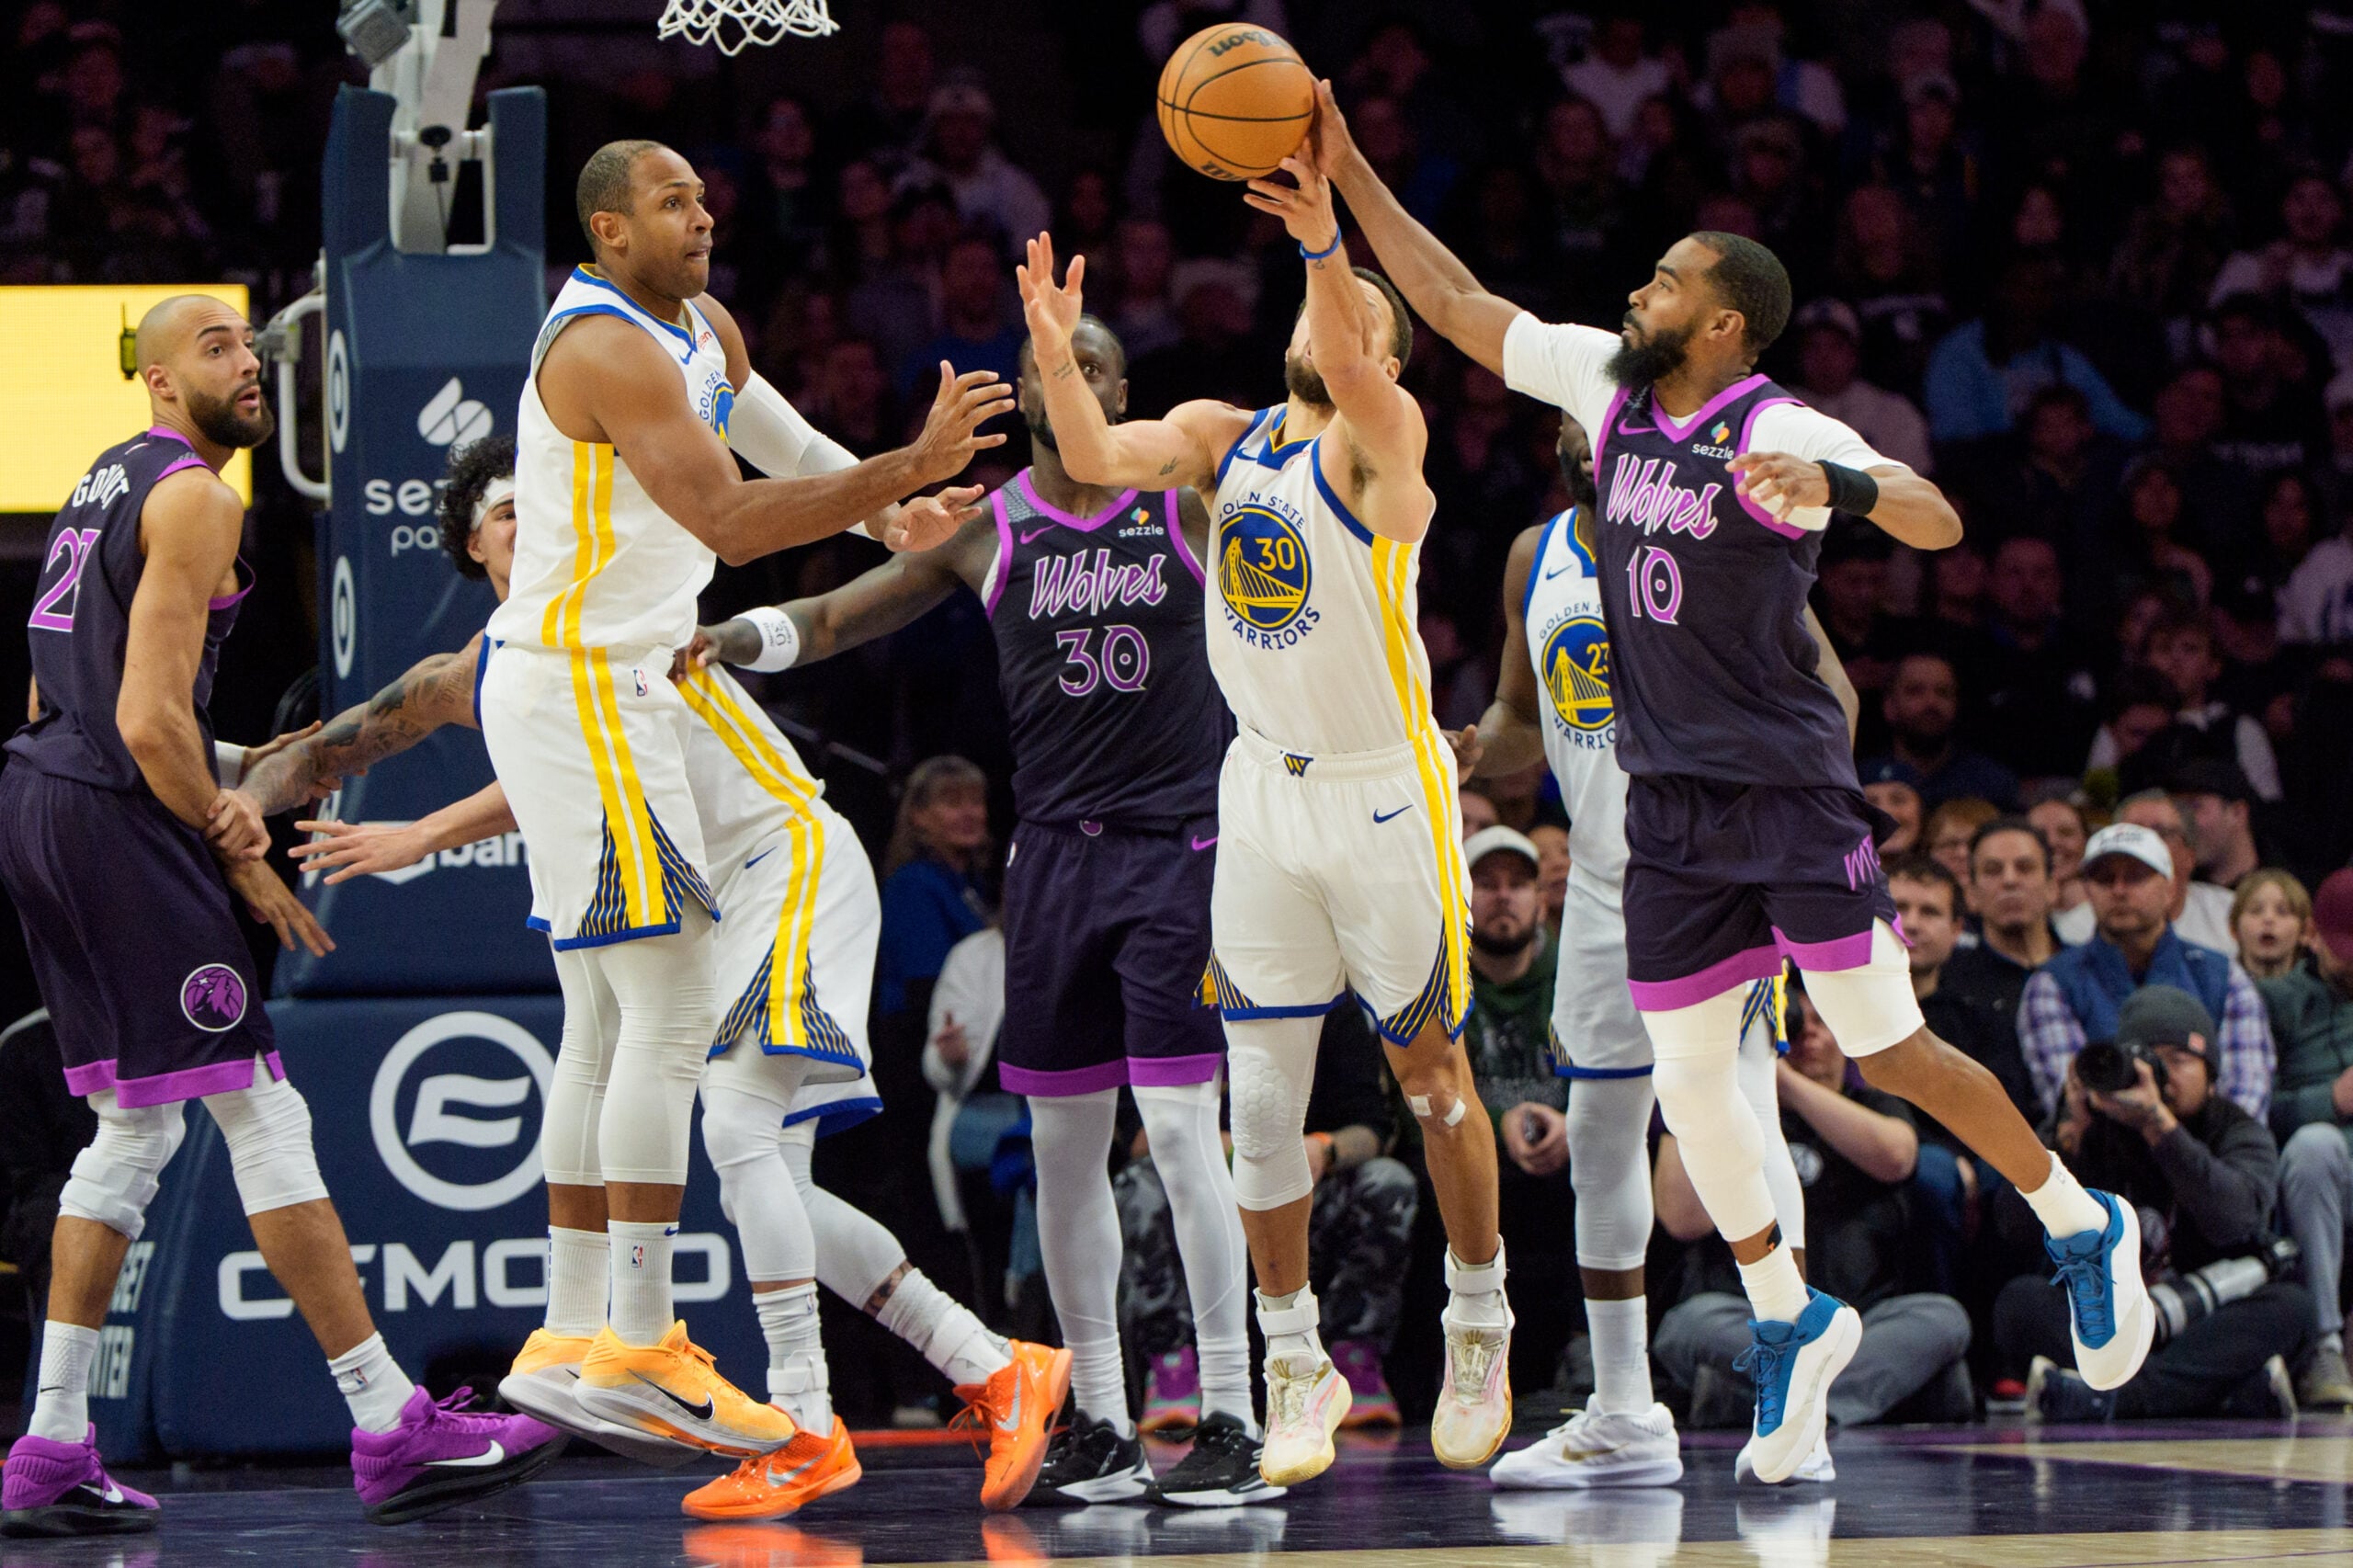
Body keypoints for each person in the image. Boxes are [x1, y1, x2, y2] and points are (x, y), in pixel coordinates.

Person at [1321, 85, 2153, 1486]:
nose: (1636, 292)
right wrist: (1346, 173)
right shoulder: (1607, 387)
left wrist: (1843, 495)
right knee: (1694, 1078)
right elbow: (1460, 303)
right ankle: (1789, 1313)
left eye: (1664, 282)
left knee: (1884, 1042)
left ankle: (2081, 1219)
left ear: (1721, 322)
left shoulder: (1788, 427)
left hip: (1784, 790)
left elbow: (1943, 515)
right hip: (1670, 807)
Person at [252, 435, 1068, 1517]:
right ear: (469, 546)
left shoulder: (619, 595)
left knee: (733, 1133)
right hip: (717, 894)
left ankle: (809, 1426)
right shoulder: (491, 671)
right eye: (503, 512)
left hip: (783, 859)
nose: (528, 519)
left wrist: (880, 484)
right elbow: (329, 756)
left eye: (538, 500)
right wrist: (191, 786)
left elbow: (729, 506)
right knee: (766, 1175)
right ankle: (993, 1363)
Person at [472, 139, 1009, 1455]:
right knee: (659, 1009)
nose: (703, 214)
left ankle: (574, 1327)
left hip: (600, 687)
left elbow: (772, 434)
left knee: (602, 1014)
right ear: (607, 231)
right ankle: (644, 1341)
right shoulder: (601, 346)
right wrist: (902, 463)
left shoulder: (701, 323)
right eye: (671, 202)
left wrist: (894, 516)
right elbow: (730, 519)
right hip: (589, 688)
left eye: (704, 196)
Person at [0, 297, 561, 1532]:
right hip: (114, 811)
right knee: (260, 1108)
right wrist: (239, 851)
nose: (246, 362)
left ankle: (47, 1440)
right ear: (154, 378)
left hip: (44, 796)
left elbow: (108, 703)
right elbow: (146, 724)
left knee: (127, 1135)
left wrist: (257, 757)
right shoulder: (199, 495)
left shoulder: (105, 480)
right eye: (213, 347)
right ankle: (386, 1422)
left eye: (249, 347)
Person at [699, 317, 1265, 1507]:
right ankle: (1102, 1418)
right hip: (1052, 862)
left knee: (1175, 1133)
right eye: (1055, 376)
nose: (1075, 389)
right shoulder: (993, 528)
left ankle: (1231, 1411)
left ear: (1125, 395)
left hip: (1180, 854)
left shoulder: (1190, 511)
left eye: (1095, 370)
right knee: (1063, 1154)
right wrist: (734, 637)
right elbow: (848, 612)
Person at [1017, 142, 1513, 1487]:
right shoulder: (1219, 438)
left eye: (1353, 320)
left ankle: (1479, 1318)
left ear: (1381, 350)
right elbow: (1089, 452)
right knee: (1256, 1099)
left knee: (1432, 1082)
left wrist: (1321, 242)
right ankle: (1292, 1359)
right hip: (1258, 789)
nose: (1328, 327)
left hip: (1383, 790)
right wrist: (1058, 350)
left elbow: (1352, 360)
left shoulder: (1382, 440)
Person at [1469, 418, 1824, 1489]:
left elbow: (1830, 695)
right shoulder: (1535, 558)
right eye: (1572, 413)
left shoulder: (1716, 533)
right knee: (1600, 1133)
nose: (1591, 430)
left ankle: (1794, 1397)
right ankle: (1625, 1410)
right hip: (1601, 887)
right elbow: (1525, 721)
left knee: (1747, 1116)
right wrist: (1464, 748)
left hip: (1716, 874)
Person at [1654, 986, 1972, 1437]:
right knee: (1686, 1325)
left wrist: (1782, 1081)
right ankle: (1835, 1402)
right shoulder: (1725, 1112)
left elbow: (1897, 1156)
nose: (1807, 1036)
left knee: (1943, 1318)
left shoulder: (1872, 1103)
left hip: (1856, 1326)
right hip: (1747, 1319)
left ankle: (1768, 1402)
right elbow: (1681, 1220)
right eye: (1793, 1025)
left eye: (1821, 1023)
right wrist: (1704, 1083)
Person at [1999, 987, 2309, 1422]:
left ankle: (2112, 1398)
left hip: (2202, 1315)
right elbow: (2013, 1227)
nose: (2161, 1077)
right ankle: (2211, 1394)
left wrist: (2160, 1126)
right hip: (2107, 1320)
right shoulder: (2089, 1124)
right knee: (2021, 1302)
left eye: (2178, 1061)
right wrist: (2069, 1140)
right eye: (2147, 1060)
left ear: (2212, 1073)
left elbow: (2236, 1220)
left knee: (2292, 1309)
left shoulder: (2234, 1128)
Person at [1121, 1000, 1417, 1439]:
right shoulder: (1173, 1000)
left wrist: (1324, 1148)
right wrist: (1207, 1144)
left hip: (1306, 1184)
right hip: (1203, 1186)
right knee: (1138, 1186)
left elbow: (1372, 1128)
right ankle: (1172, 1365)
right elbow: (1137, 1137)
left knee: (1388, 1183)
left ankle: (1355, 1359)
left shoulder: (1328, 1004)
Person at [2017, 824, 2274, 1121]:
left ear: (2170, 889)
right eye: (2104, 878)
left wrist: (2185, 1150)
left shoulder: (2225, 976)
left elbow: (2246, 1103)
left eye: (2136, 876)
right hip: (2105, 1158)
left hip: (2211, 1157)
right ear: (2087, 890)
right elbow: (2073, 1106)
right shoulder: (2052, 984)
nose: (2119, 890)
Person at [2264, 868, 2353, 1410]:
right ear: (2312, 934)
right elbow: (2252, 1112)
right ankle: (2323, 1344)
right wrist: (2332, 1100)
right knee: (2317, 1143)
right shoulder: (2275, 1000)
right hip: (2312, 1177)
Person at [1942, 816, 2064, 1026]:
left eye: (2025, 868)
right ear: (1971, 894)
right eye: (1992, 870)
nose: (2010, 880)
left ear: (2052, 888)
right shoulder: (1946, 987)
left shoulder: (2091, 975)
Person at [1867, 653, 2018, 810]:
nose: (1931, 703)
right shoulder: (1861, 781)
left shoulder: (1992, 783)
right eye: (1916, 691)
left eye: (1943, 692)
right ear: (1889, 706)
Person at [2115, 789, 2239, 956]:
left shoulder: (2232, 914)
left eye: (2161, 833)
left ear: (2190, 856)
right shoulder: (2078, 929)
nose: (2145, 845)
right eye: (2133, 834)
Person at [2029, 793, 2095, 945]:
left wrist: (2083, 911)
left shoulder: (2111, 901)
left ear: (2086, 841)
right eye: (2040, 835)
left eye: (2066, 832)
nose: (2052, 842)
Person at [2233, 867, 2313, 982]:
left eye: (2282, 911)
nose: (2268, 919)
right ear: (2234, 928)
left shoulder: (2316, 996)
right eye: (2256, 910)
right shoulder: (2215, 989)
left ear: (2306, 932)